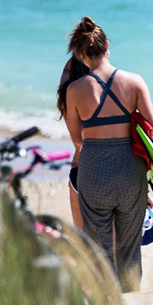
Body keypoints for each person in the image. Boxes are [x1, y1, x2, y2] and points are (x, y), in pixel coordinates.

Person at [62, 16, 153, 292]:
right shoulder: (134, 81)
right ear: (107, 45)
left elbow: (77, 139)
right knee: (129, 250)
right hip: (130, 173)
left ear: (81, 54)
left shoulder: (74, 90)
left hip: (93, 174)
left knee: (100, 250)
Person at [56, 56, 90, 229]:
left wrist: (79, 53)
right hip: (100, 172)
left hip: (77, 171)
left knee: (84, 242)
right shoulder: (99, 101)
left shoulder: (66, 100)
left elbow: (66, 72)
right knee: (113, 247)